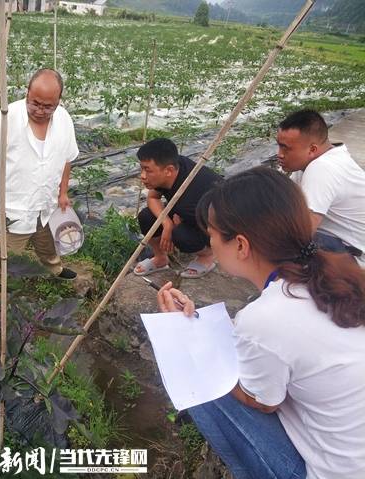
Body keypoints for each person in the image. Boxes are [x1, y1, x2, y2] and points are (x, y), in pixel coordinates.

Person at [157, 167, 365, 479]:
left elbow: (263, 402)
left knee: (194, 376)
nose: (210, 243)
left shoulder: (265, 317)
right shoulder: (339, 273)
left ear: (240, 245)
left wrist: (185, 337)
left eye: (212, 234)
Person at [0, 69, 79, 280]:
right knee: (2, 256)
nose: (40, 110)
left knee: (47, 242)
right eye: (35, 103)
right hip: (13, 209)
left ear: (58, 101)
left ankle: (54, 268)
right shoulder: (6, 118)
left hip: (46, 202)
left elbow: (67, 159)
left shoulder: (64, 119)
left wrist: (63, 192)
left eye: (48, 107)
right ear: (27, 92)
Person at [276, 109, 365, 266]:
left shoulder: (322, 168)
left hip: (356, 258)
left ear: (312, 149)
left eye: (286, 148)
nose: (280, 154)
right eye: (279, 146)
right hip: (342, 243)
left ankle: (287, 288)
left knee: (282, 241)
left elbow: (303, 232)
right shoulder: (319, 160)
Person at [134, 138, 221, 278]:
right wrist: (167, 223)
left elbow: (217, 228)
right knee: (146, 217)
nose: (142, 176)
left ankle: (208, 256)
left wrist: (177, 226)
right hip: (185, 212)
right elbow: (153, 198)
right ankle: (161, 258)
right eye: (142, 168)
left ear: (169, 170)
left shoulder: (191, 196)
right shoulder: (175, 164)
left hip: (212, 221)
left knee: (181, 235)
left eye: (147, 170)